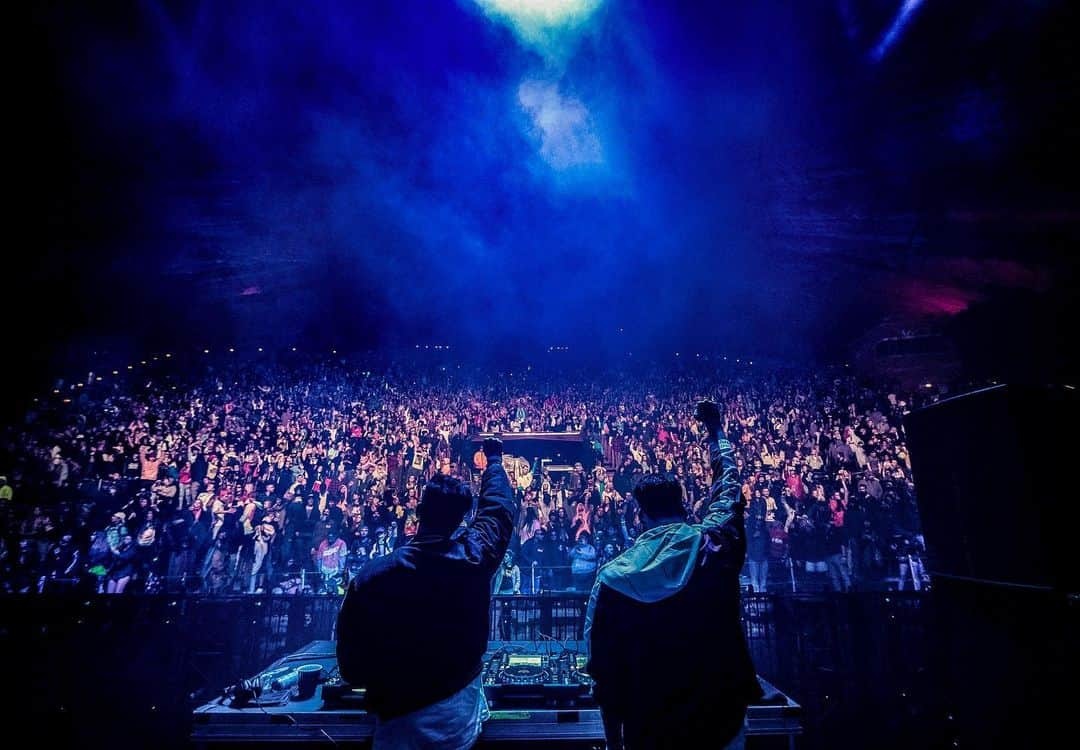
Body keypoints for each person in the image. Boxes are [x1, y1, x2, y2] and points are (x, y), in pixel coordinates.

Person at [585, 401, 761, 750]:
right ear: (683, 506)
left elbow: (605, 673)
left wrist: (613, 742)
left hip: (649, 729)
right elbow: (728, 489)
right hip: (719, 723)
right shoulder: (716, 547)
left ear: (639, 516)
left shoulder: (612, 579)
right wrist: (716, 433)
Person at [337, 437, 515, 750]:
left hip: (395, 721)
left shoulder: (372, 577)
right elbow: (497, 511)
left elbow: (350, 665)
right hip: (458, 717)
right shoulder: (473, 559)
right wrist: (495, 461)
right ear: (462, 520)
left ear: (419, 511)